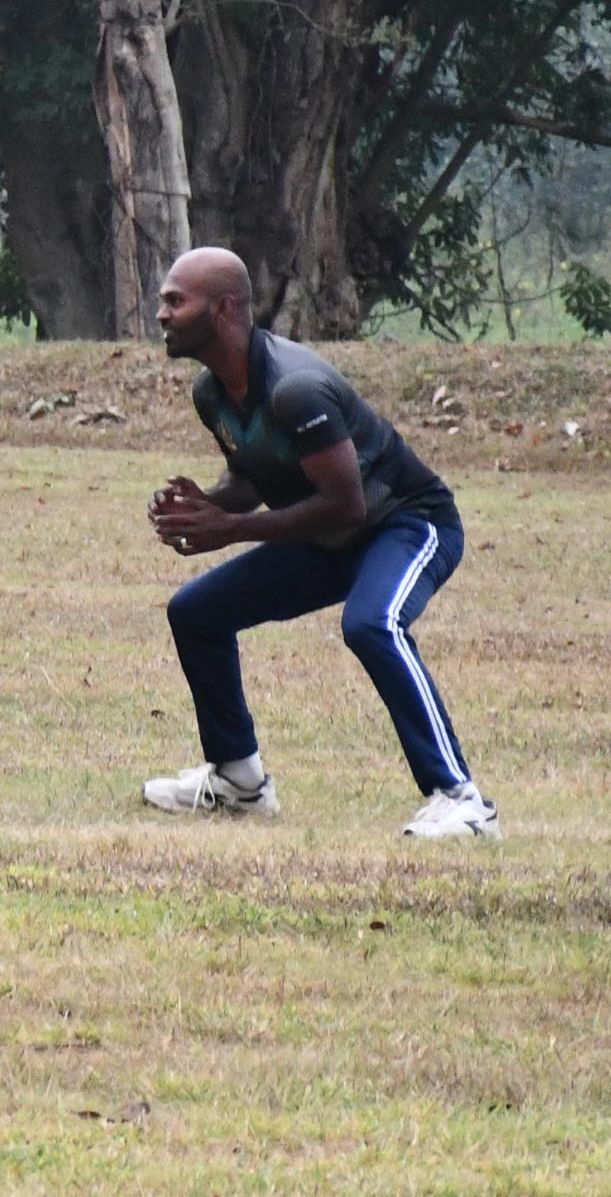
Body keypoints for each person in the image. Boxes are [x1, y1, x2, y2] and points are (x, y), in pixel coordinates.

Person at [143, 246, 497, 839]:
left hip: (406, 524)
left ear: (224, 309)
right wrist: (208, 506)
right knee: (196, 612)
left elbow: (347, 503)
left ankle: (463, 800)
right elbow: (252, 481)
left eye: (176, 301)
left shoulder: (297, 388)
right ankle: (239, 781)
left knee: (372, 624)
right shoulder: (212, 394)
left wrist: (230, 529)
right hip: (327, 538)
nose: (162, 313)